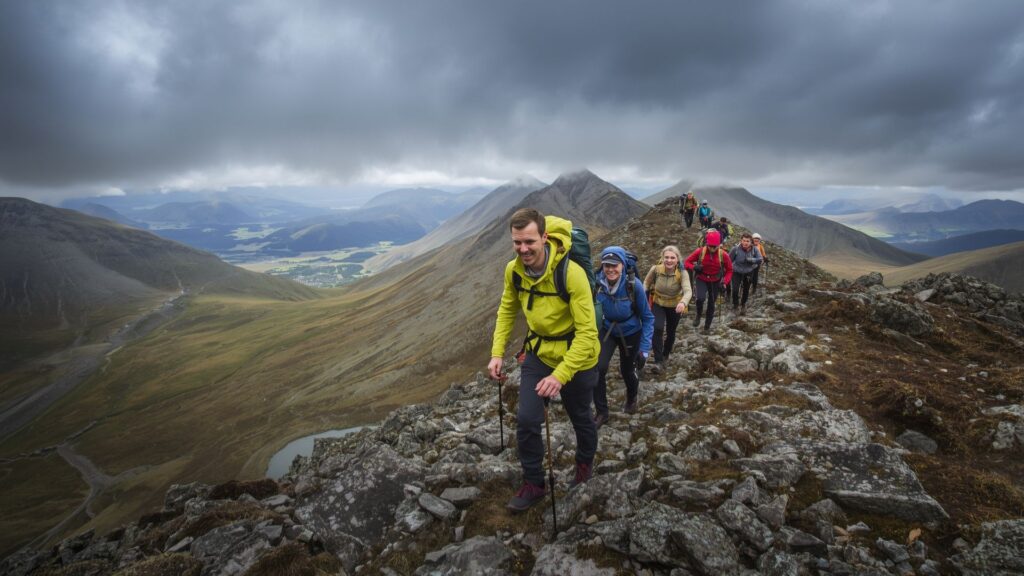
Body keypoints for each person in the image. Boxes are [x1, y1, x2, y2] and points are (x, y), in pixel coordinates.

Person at [488, 208, 600, 512]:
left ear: (544, 238)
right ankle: (534, 483)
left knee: (581, 418)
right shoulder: (513, 271)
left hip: (578, 356)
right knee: (526, 419)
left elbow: (588, 333)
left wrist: (560, 375)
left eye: (529, 242)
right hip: (539, 352)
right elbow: (507, 310)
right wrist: (497, 353)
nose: (523, 249)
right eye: (517, 242)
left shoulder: (571, 274)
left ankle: (584, 465)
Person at [592, 246, 654, 427]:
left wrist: (644, 350)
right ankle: (602, 412)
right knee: (598, 368)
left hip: (631, 332)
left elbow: (648, 318)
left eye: (615, 265)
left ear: (622, 265)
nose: (610, 269)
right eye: (606, 265)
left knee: (627, 370)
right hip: (607, 330)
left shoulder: (634, 286)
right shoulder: (597, 284)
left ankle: (632, 398)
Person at [644, 246, 692, 371]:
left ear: (677, 260)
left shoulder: (682, 273)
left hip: (675, 306)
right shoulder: (656, 269)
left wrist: (683, 303)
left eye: (672, 257)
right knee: (657, 328)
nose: (669, 260)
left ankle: (666, 353)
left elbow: (688, 291)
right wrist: (643, 295)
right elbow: (646, 283)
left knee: (671, 332)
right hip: (658, 303)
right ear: (662, 258)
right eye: (666, 257)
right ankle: (658, 361)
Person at [684, 229, 733, 332]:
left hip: (715, 281)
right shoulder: (700, 251)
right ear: (707, 243)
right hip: (701, 278)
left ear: (718, 245)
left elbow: (729, 270)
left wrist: (724, 282)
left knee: (711, 303)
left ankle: (707, 327)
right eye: (710, 246)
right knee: (700, 298)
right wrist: (694, 267)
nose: (712, 249)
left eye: (715, 247)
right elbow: (686, 262)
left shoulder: (723, 255)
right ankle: (698, 314)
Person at [728, 233, 763, 316]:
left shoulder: (755, 249)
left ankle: (743, 304)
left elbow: (760, 259)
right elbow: (729, 260)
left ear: (751, 242)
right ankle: (735, 305)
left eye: (747, 241)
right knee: (735, 290)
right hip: (736, 272)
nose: (745, 243)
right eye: (743, 240)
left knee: (746, 290)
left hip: (748, 272)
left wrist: (751, 260)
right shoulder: (735, 249)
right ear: (741, 240)